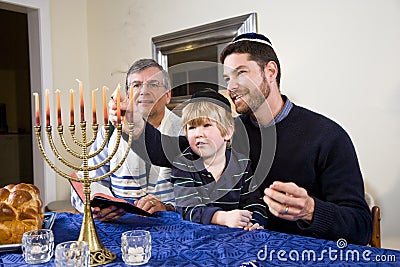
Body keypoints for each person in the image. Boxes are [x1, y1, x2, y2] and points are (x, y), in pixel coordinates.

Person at [111, 33, 371, 245]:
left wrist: (310, 210)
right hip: (238, 249)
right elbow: (163, 151)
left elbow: (360, 226)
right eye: (227, 78)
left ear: (270, 71)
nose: (231, 86)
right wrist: (130, 121)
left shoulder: (327, 136)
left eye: (241, 73)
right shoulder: (227, 131)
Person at [71, 58, 182, 221]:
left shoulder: (187, 131)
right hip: (119, 224)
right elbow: (86, 180)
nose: (144, 91)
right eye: (136, 85)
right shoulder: (109, 132)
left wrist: (168, 207)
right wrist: (97, 206)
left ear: (168, 95)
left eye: (153, 84)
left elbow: (202, 196)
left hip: (171, 226)